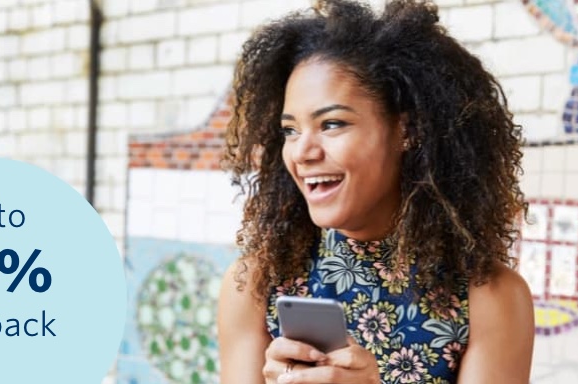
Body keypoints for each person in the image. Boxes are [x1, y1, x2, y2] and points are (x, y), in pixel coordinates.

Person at [218, 0, 535, 383]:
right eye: (290, 130)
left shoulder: (489, 298)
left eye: (332, 124)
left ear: (407, 130)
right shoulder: (256, 283)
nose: (302, 151)